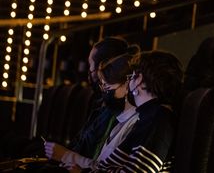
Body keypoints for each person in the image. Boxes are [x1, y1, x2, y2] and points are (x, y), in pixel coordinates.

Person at [42, 37, 136, 167]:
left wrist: (66, 155)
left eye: (90, 65)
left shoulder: (119, 115)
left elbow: (101, 165)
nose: (89, 72)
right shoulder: (103, 109)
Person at [94, 50, 183, 172]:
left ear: (139, 79)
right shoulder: (149, 116)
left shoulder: (158, 119)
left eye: (131, 77)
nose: (129, 83)